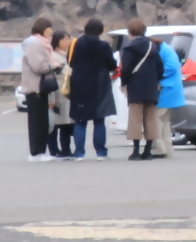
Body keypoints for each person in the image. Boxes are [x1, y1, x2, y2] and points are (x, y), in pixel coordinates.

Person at [66, 18, 117, 160]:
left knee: (80, 120)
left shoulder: (75, 44)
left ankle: (79, 153)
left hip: (79, 86)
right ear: (100, 31)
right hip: (99, 87)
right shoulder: (104, 46)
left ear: (86, 29)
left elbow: (70, 62)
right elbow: (112, 65)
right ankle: (101, 153)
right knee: (99, 120)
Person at [118, 19, 162, 161]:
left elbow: (125, 69)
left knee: (135, 118)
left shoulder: (129, 48)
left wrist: (124, 83)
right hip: (151, 87)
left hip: (135, 86)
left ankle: (136, 151)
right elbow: (160, 68)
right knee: (151, 118)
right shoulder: (153, 47)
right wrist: (156, 80)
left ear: (130, 32)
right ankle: (148, 151)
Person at [18, 16, 54, 161]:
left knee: (42, 121)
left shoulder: (38, 43)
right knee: (37, 122)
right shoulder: (34, 43)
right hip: (35, 87)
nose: (51, 31)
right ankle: (36, 152)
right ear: (44, 29)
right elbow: (38, 66)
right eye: (49, 28)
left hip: (39, 87)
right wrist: (53, 65)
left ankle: (40, 152)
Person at [151, 34, 183, 158]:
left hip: (167, 88)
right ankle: (167, 148)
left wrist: (156, 75)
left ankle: (159, 148)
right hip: (171, 88)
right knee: (164, 120)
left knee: (155, 117)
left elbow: (171, 67)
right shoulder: (166, 49)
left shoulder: (166, 50)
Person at [48, 28, 75, 158]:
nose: (68, 41)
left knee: (66, 121)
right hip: (57, 91)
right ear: (58, 41)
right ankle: (54, 150)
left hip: (67, 92)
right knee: (55, 122)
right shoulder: (52, 56)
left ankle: (66, 148)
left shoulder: (67, 55)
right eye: (66, 39)